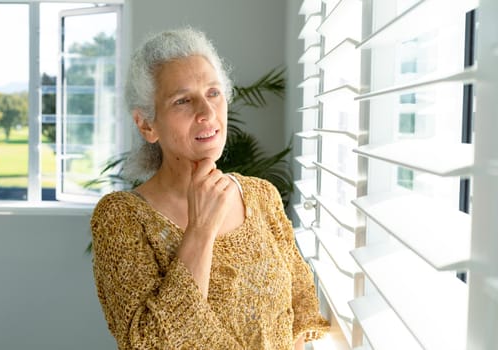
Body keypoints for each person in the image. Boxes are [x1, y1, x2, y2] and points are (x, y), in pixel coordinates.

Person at [90, 27, 329, 350]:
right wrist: (201, 229)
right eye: (183, 100)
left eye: (213, 93)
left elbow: (300, 313)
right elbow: (148, 343)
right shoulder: (121, 217)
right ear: (147, 124)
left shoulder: (261, 196)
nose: (207, 112)